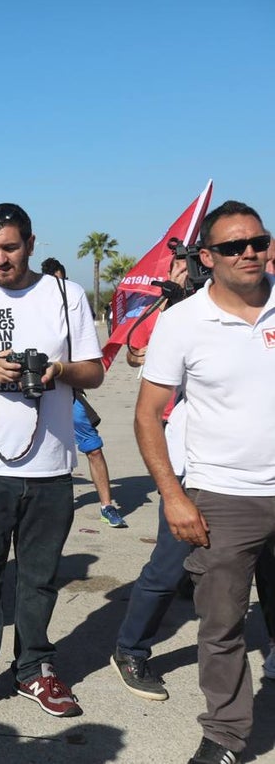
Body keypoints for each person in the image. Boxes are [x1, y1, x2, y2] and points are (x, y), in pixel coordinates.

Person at [0, 203, 103, 723]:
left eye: (9, 247)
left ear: (30, 243)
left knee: (40, 576)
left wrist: (58, 370)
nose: (0, 259)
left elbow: (93, 372)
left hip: (50, 466)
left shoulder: (64, 294)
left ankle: (34, 668)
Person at [133, 200, 275, 764]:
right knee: (222, 628)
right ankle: (226, 736)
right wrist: (173, 496)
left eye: (258, 242)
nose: (249, 253)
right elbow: (146, 415)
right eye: (234, 246)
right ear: (208, 257)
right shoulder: (182, 321)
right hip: (222, 498)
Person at [40, 258, 125, 528]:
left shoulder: (73, 314)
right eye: (57, 282)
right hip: (40, 396)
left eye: (64, 281)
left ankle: (107, 505)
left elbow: (90, 364)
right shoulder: (35, 314)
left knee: (94, 449)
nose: (62, 287)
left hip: (70, 393)